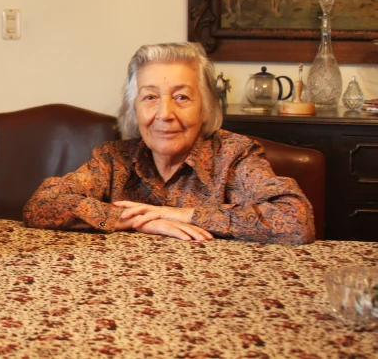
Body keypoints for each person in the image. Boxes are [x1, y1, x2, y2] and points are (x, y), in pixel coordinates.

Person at [23, 42, 314, 245]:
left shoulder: (235, 156)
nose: (165, 114)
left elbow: (295, 220)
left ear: (205, 108)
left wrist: (181, 214)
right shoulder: (113, 159)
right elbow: (42, 204)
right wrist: (136, 220)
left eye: (182, 97)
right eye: (150, 97)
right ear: (133, 110)